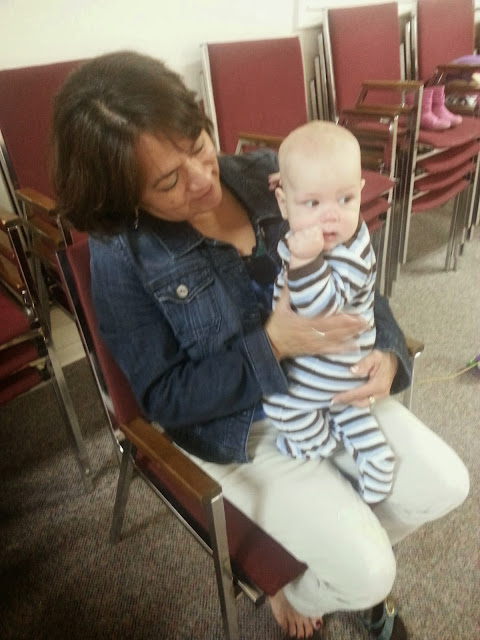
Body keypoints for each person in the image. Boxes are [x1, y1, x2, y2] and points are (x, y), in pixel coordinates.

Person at [50, 51, 469, 640]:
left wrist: (390, 353)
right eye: (168, 182)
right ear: (124, 195)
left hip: (327, 385)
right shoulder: (122, 254)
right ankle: (299, 590)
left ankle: (325, 578)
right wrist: (271, 345)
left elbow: (356, 278)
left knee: (445, 486)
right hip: (238, 426)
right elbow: (163, 398)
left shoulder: (268, 174)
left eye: (198, 146)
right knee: (371, 572)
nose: (202, 179)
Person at [263, 121, 395, 505]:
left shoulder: (351, 253)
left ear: (361, 192)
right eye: (313, 203)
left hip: (328, 364)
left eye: (345, 199)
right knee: (352, 414)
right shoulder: (316, 238)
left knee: (279, 406)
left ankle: (317, 444)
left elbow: (321, 308)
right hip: (331, 365)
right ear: (283, 203)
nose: (331, 216)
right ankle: (377, 462)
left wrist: (306, 261)